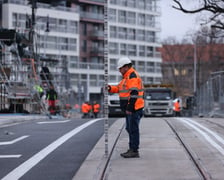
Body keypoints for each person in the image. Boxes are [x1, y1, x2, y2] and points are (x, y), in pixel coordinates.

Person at [108, 57, 144, 158]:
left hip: (134, 109)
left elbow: (134, 93)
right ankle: (132, 148)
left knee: (133, 129)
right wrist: (109, 88)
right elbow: (119, 88)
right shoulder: (126, 78)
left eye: (120, 68)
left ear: (126, 67)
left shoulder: (132, 76)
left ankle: (134, 150)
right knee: (130, 128)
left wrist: (129, 107)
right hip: (131, 109)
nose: (119, 70)